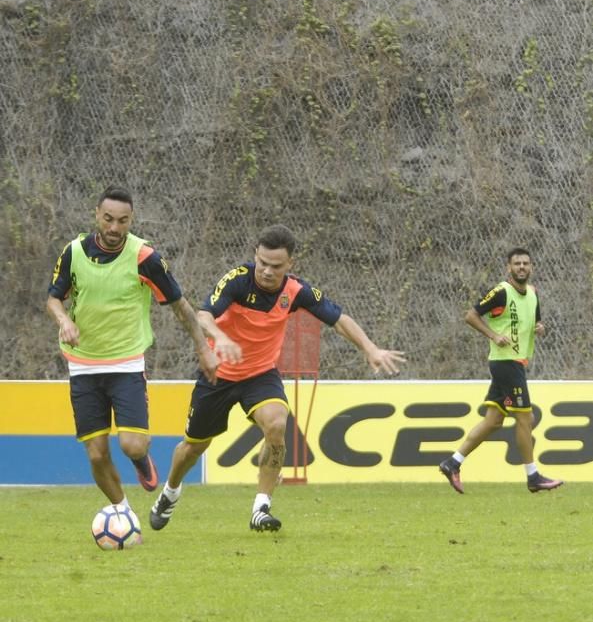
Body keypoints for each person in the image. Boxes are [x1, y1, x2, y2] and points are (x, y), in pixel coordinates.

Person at [149, 224, 406, 532]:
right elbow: (203, 315)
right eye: (263, 263)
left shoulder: (297, 291)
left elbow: (338, 319)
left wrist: (370, 348)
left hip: (260, 374)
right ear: (255, 256)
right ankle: (170, 492)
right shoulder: (237, 281)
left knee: (276, 424)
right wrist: (221, 338)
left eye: (276, 266)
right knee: (192, 448)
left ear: (290, 265)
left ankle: (261, 507)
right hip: (219, 374)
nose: (267, 271)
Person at [47, 185, 218, 512]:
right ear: (97, 214)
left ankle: (141, 461)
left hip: (126, 364)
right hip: (82, 365)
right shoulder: (74, 252)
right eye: (108, 219)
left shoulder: (145, 257)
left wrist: (202, 348)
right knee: (97, 453)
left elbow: (180, 305)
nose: (114, 228)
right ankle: (123, 511)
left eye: (122, 221)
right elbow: (54, 298)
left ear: (131, 220)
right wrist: (63, 321)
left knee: (132, 444)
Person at [438, 247, 563, 494]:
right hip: (506, 363)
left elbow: (535, 321)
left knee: (494, 421)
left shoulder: (534, 294)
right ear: (508, 267)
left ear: (532, 267)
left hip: (516, 363)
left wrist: (540, 328)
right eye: (517, 263)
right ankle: (533, 476)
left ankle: (452, 463)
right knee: (526, 419)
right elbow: (471, 315)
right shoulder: (500, 292)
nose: (521, 267)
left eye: (526, 263)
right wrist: (493, 335)